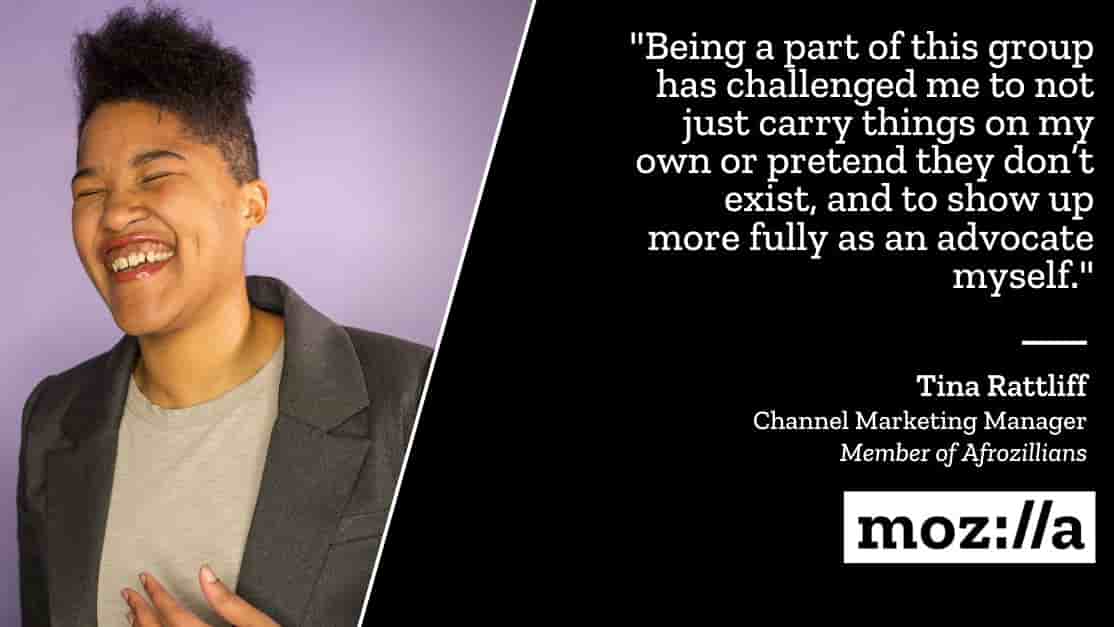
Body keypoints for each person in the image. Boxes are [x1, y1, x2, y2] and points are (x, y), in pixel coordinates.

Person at [17, 4, 433, 626]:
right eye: (90, 192)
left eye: (155, 176)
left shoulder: (406, 396)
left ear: (251, 205)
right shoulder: (52, 418)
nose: (115, 214)